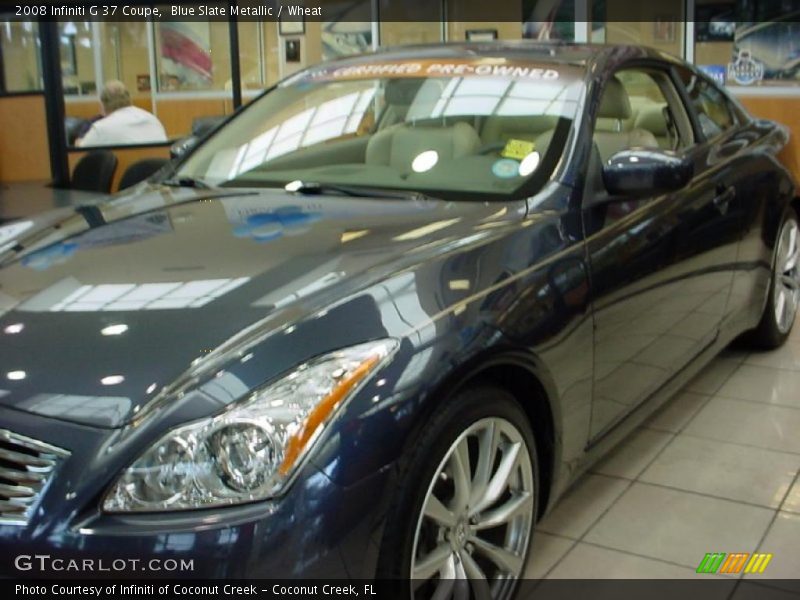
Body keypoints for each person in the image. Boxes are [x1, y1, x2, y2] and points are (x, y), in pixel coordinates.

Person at [77, 80, 167, 147]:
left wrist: (78, 141)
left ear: (103, 105)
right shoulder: (152, 119)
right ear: (129, 99)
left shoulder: (101, 128)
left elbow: (80, 150)